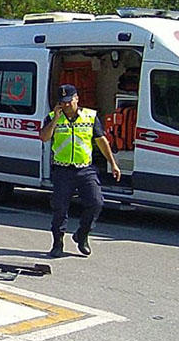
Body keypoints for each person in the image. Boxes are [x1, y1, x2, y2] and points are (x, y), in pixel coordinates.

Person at [39, 84, 121, 258]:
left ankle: (82, 235)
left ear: (76, 99)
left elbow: (101, 141)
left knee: (96, 202)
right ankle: (57, 243)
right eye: (62, 102)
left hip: (85, 169)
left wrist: (113, 164)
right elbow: (44, 137)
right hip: (62, 170)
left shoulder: (90, 116)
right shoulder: (53, 117)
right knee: (60, 209)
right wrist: (55, 120)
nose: (66, 105)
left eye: (69, 101)